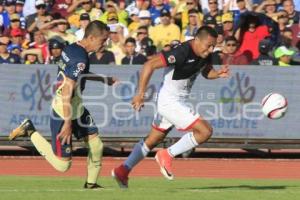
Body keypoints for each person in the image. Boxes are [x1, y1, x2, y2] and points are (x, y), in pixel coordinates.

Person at [111, 26, 230, 188]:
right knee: (205, 131)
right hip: (169, 102)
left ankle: (123, 170)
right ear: (196, 40)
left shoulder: (205, 53)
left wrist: (217, 74)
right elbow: (149, 65)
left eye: (212, 46)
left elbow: (205, 71)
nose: (210, 50)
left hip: (176, 101)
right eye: (208, 45)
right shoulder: (181, 52)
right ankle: (167, 154)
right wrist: (140, 94)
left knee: (153, 140)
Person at [8, 21, 117, 189]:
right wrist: (67, 123)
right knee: (63, 166)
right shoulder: (80, 58)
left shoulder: (72, 48)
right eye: (103, 40)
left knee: (97, 145)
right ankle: (30, 131)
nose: (105, 44)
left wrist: (104, 79)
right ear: (91, 37)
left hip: (77, 108)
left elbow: (80, 74)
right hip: (62, 111)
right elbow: (67, 90)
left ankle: (91, 184)